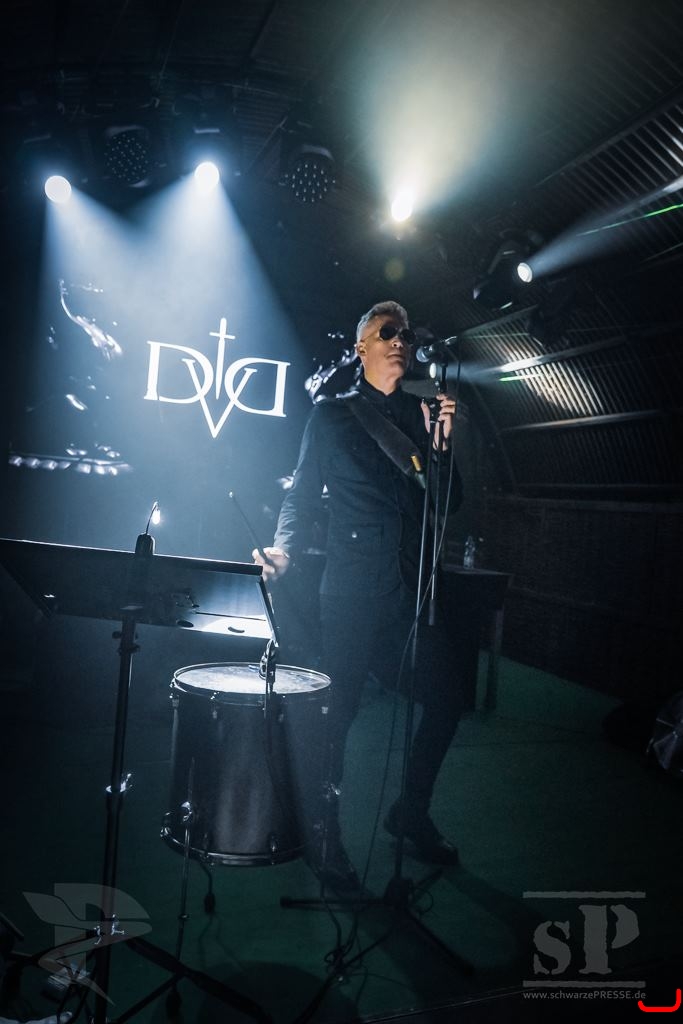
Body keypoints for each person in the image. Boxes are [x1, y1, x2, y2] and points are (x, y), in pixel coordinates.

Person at [254, 301, 464, 891]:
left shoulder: (423, 414)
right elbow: (299, 496)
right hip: (349, 592)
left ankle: (411, 812)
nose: (400, 340)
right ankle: (324, 841)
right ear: (361, 348)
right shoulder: (332, 416)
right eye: (386, 332)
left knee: (448, 698)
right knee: (338, 714)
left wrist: (442, 448)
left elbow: (449, 504)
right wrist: (284, 548)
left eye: (405, 333)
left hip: (407, 596)